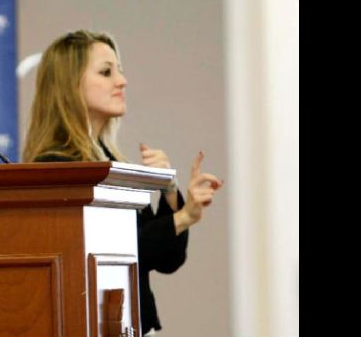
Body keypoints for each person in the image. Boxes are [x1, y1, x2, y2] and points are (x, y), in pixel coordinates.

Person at [22, 29, 223, 335]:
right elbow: (112, 253)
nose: (122, 81)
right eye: (106, 72)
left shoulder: (106, 158)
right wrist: (183, 217)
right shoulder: (56, 167)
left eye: (120, 71)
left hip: (131, 323)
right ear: (69, 86)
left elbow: (166, 259)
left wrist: (170, 192)